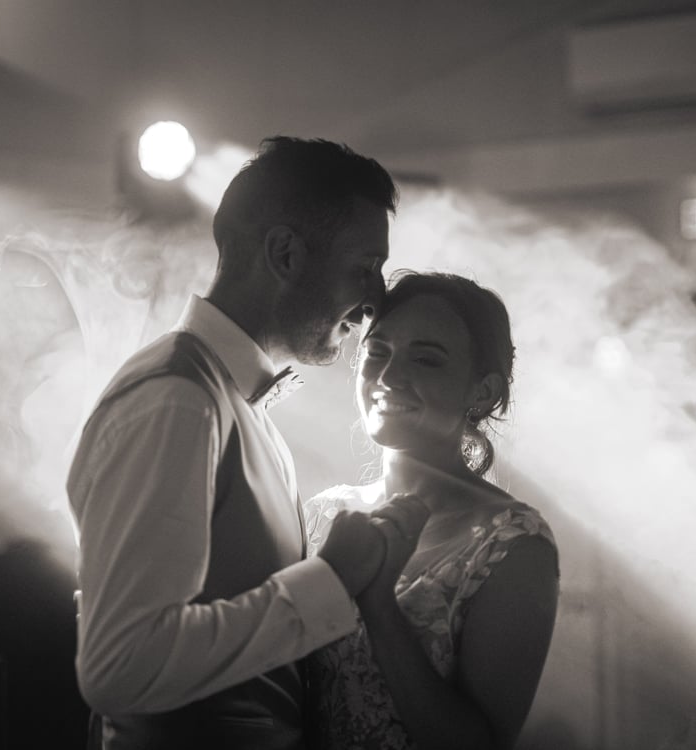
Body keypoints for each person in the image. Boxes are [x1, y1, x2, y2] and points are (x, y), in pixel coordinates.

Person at [66, 136, 429, 750]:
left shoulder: (238, 404)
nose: (375, 300)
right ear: (285, 253)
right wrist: (332, 578)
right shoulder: (177, 403)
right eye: (363, 268)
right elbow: (122, 667)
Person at [304, 271, 560, 750]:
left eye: (426, 359)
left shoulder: (512, 542)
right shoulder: (324, 515)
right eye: (376, 352)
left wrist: (378, 602)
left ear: (481, 392)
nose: (387, 377)